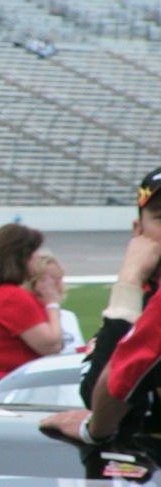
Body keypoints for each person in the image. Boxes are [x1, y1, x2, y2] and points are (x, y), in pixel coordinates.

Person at [40, 166, 161, 445]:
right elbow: (98, 392)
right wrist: (129, 286)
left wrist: (93, 430)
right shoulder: (141, 307)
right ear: (138, 231)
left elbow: (108, 402)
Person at [0, 222, 64, 382]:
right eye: (33, 252)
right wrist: (52, 304)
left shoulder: (3, 293)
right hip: (21, 380)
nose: (37, 257)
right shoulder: (11, 297)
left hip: (18, 378)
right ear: (21, 257)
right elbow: (51, 345)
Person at [31, 251, 84, 354]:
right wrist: (52, 304)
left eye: (58, 280)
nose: (55, 286)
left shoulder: (68, 316)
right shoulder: (31, 319)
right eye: (47, 280)